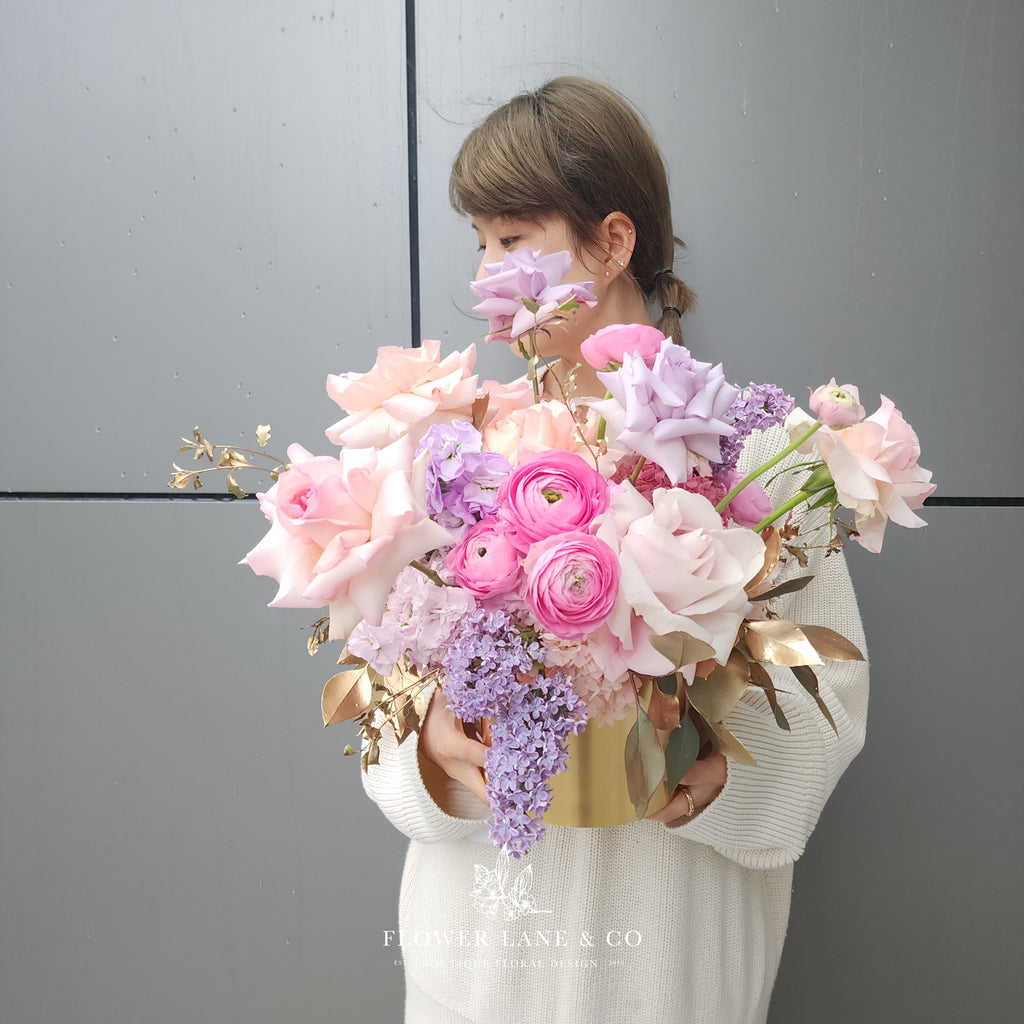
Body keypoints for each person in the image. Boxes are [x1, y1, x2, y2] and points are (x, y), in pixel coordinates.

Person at [362, 77, 868, 1024]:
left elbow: (832, 696)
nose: (485, 275)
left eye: (513, 239)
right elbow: (378, 678)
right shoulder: (452, 447)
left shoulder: (759, 447)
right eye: (479, 243)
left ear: (614, 241)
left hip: (673, 959)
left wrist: (730, 767)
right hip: (483, 958)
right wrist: (428, 755)